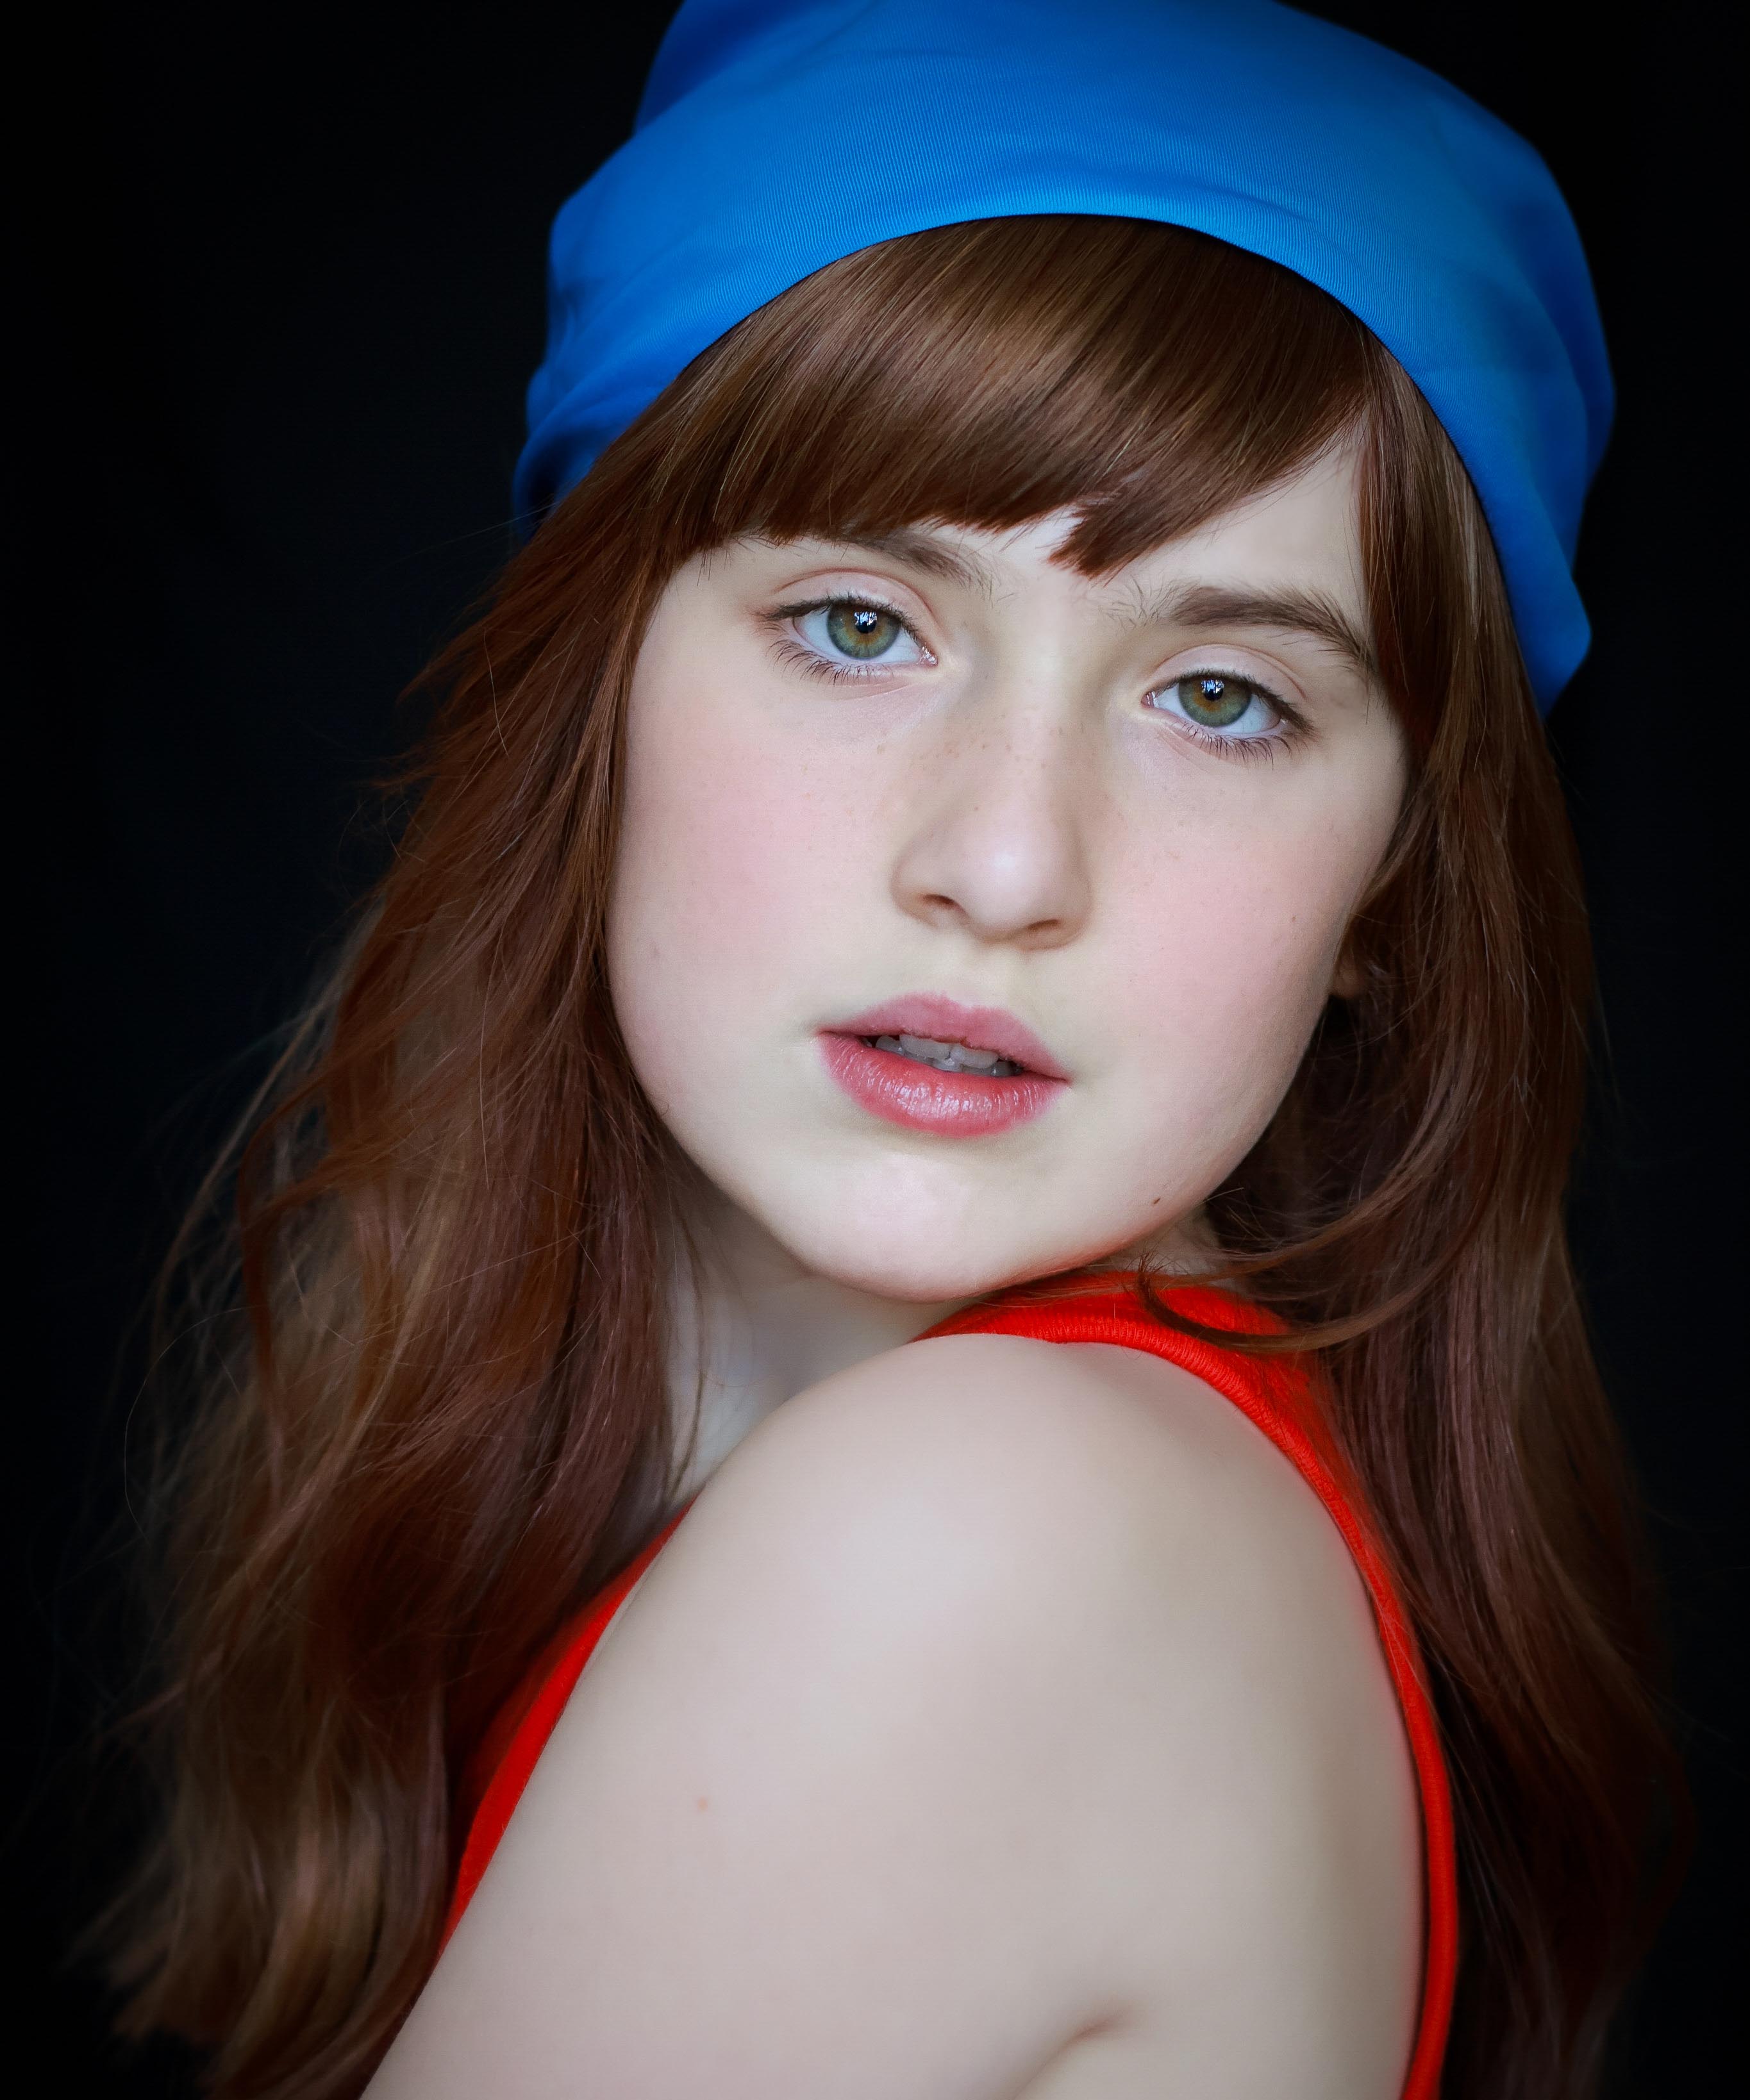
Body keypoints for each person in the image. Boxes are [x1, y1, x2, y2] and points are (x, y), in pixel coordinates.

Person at [99, 4, 1683, 2096]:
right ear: (597, 702)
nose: (1002, 863)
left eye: (1220, 698)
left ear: (1390, 894)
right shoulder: (1064, 1505)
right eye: (861, 625)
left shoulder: (989, 1537)